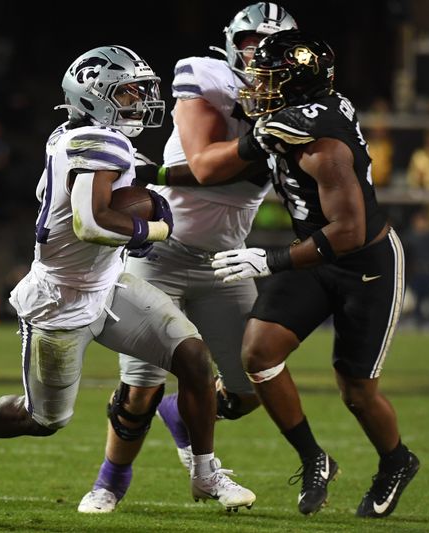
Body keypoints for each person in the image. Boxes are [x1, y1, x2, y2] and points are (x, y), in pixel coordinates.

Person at [0, 45, 255, 512]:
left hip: (110, 285)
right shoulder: (98, 142)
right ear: (93, 95)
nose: (139, 102)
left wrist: (141, 200)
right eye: (127, 93)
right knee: (43, 419)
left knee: (194, 357)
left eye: (140, 92)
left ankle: (206, 474)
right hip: (61, 298)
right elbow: (92, 222)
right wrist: (152, 227)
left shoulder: (76, 135)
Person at [78, 2, 297, 514]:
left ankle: (183, 414)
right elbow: (202, 164)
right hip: (161, 253)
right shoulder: (207, 75)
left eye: (270, 45)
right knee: (139, 390)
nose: (258, 54)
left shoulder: (297, 103)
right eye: (249, 43)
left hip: (226, 262)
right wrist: (267, 135)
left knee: (249, 390)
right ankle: (109, 482)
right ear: (231, 43)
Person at [210, 30, 420, 518]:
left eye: (270, 78)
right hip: (315, 255)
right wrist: (158, 175)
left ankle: (396, 460)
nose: (257, 86)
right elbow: (217, 166)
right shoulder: (291, 120)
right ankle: (313, 458)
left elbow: (348, 231)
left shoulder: (322, 145)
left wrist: (271, 260)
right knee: (258, 353)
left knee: (357, 393)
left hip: (365, 264)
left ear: (297, 84)